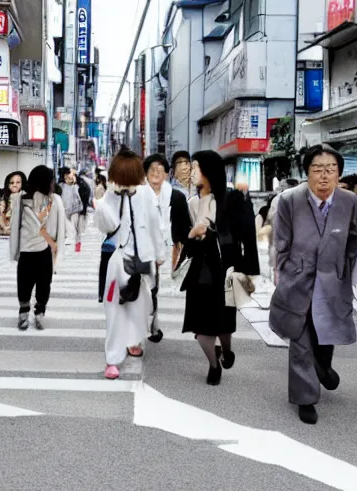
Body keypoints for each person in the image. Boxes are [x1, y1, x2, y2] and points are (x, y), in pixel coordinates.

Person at [269, 144, 357, 425]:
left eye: (330, 170)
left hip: (333, 280)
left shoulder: (349, 202)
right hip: (299, 279)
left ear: (339, 173)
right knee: (301, 337)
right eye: (317, 169)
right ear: (306, 172)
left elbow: (352, 239)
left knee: (326, 333)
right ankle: (305, 397)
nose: (324, 176)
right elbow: (280, 243)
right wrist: (284, 273)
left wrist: (346, 270)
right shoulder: (289, 200)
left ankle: (322, 367)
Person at [181, 150, 259, 385]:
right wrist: (193, 235)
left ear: (209, 171)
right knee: (201, 326)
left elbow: (249, 238)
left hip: (228, 268)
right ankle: (213, 364)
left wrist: (250, 273)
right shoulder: (192, 202)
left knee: (224, 321)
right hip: (200, 270)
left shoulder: (235, 199)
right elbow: (188, 243)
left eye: (196, 168)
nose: (191, 173)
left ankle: (225, 349)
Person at [94, 149, 165, 380]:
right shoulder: (111, 196)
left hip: (142, 259)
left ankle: (133, 340)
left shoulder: (145, 194)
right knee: (114, 308)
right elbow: (106, 226)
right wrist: (106, 204)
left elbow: (156, 226)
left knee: (139, 305)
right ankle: (113, 358)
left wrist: (159, 254)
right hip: (118, 259)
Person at [9, 165, 65, 331]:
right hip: (45, 249)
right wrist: (57, 251)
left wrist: (15, 250)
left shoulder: (22, 198)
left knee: (24, 283)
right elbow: (59, 228)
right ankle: (39, 313)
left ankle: (24, 314)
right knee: (44, 283)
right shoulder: (54, 199)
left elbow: (15, 226)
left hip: (26, 249)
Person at [144, 153, 191, 343]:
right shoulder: (138, 195)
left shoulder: (177, 197)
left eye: (160, 169)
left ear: (166, 174)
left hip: (166, 249)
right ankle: (150, 326)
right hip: (142, 250)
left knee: (153, 289)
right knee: (145, 290)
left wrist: (177, 257)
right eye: (151, 169)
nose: (156, 173)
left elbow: (182, 229)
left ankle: (153, 325)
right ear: (145, 174)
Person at [59, 167, 86, 253]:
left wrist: (75, 183)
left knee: (74, 228)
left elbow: (81, 196)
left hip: (75, 210)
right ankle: (65, 245)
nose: (69, 177)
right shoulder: (61, 186)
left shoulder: (77, 186)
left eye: (70, 175)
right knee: (65, 229)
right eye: (67, 176)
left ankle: (76, 246)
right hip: (64, 211)